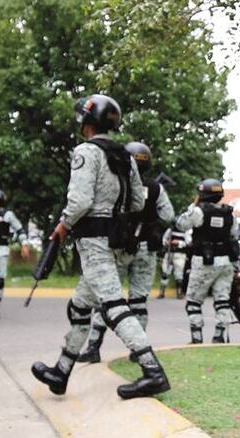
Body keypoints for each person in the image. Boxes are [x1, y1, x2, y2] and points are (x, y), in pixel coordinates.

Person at [31, 94, 171, 399]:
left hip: (94, 243)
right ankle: (61, 372)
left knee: (112, 306)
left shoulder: (86, 152)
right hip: (119, 242)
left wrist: (64, 224)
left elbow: (79, 201)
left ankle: (153, 371)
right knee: (80, 307)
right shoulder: (125, 156)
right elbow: (137, 201)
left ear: (87, 122)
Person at [76, 142, 174, 363]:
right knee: (138, 300)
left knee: (108, 299)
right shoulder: (157, 189)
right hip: (146, 250)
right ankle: (137, 351)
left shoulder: (118, 184)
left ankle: (93, 347)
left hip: (119, 247)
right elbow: (168, 215)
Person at [175, 179, 238, 344]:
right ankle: (219, 336)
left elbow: (181, 224)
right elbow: (234, 237)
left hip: (204, 261)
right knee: (222, 301)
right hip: (226, 262)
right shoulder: (229, 213)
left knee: (193, 302)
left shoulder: (198, 211)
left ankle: (197, 338)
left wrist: (192, 206)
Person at [0, 189, 30, 319]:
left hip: (1, 250)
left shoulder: (7, 215)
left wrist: (24, 244)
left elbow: (19, 229)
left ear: (0, 201)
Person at [158, 225, 189, 299]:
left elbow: (188, 242)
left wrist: (179, 242)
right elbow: (164, 239)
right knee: (165, 272)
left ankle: (179, 292)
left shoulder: (186, 230)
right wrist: (166, 242)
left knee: (179, 274)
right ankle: (162, 292)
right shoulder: (170, 229)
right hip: (169, 253)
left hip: (180, 254)